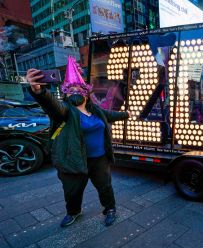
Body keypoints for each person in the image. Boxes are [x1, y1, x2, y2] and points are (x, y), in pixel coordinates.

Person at [26, 56, 130, 227]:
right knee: (72, 191)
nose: (75, 91)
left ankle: (110, 209)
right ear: (66, 93)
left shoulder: (95, 110)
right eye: (70, 89)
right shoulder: (65, 111)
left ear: (87, 94)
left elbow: (110, 116)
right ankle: (73, 212)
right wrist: (39, 91)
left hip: (99, 159)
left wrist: (127, 114)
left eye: (79, 88)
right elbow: (52, 105)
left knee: (105, 187)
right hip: (73, 160)